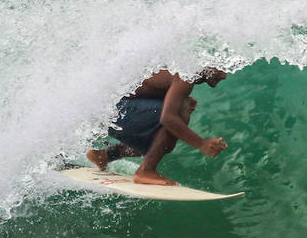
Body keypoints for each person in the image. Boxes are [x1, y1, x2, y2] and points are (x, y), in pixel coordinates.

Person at [86, 67, 229, 186]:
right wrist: (201, 143)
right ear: (208, 66)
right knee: (178, 114)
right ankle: (145, 170)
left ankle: (104, 156)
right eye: (221, 69)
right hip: (112, 111)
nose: (224, 76)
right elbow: (168, 118)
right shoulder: (188, 74)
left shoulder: (181, 71)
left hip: (103, 112)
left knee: (159, 142)